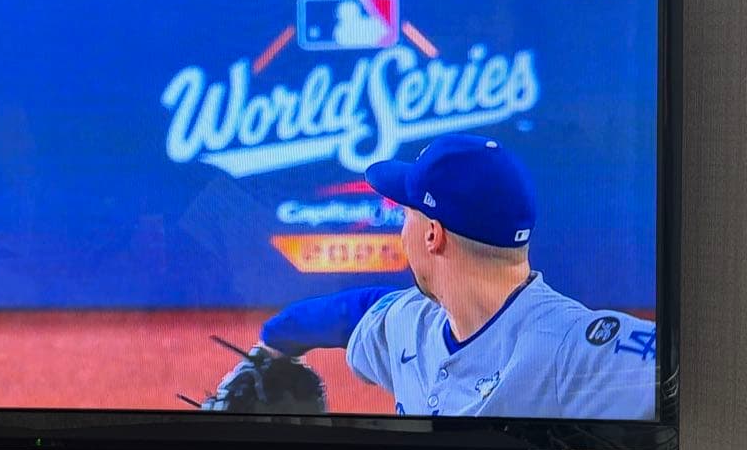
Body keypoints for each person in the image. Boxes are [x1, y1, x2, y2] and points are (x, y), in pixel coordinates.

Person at [259, 133, 658, 420]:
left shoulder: (570, 345)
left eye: (407, 215)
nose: (403, 231)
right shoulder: (414, 321)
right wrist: (272, 346)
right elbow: (353, 312)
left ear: (433, 235)